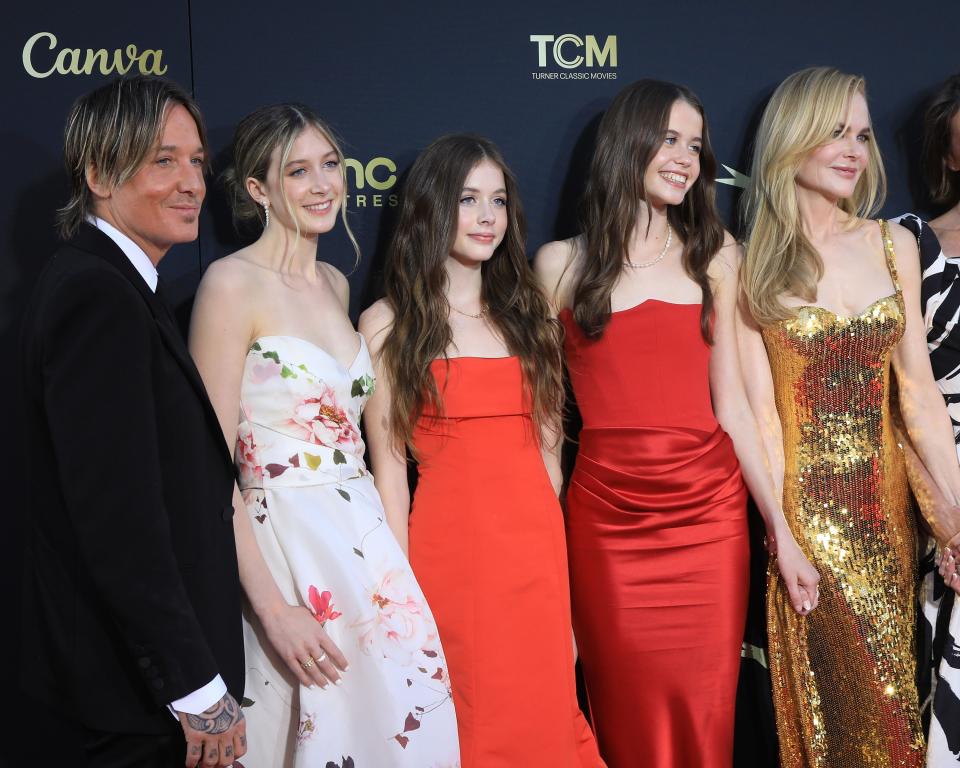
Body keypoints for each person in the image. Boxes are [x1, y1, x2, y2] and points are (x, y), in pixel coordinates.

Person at [534, 78, 816, 768]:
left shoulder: (718, 257)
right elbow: (542, 430)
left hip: (709, 523)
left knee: (706, 717)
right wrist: (542, 555)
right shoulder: (559, 266)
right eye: (668, 139)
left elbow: (737, 411)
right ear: (626, 143)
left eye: (695, 144)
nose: (686, 158)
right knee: (626, 718)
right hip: (606, 527)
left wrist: (780, 532)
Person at [188, 103, 460, 767]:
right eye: (298, 171)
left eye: (331, 165)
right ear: (258, 190)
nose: (323, 185)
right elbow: (205, 464)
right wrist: (273, 608)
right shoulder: (229, 284)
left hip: (363, 546)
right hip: (282, 550)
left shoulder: (336, 284)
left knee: (393, 734)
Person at [19, 75, 246, 767]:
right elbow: (120, 524)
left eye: (197, 161)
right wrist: (196, 688)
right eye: (163, 160)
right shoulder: (98, 298)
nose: (191, 184)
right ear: (98, 174)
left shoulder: (112, 287)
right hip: (132, 700)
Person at [739, 66, 960, 767]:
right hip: (807, 522)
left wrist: (956, 516)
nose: (853, 149)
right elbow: (762, 420)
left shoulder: (893, 245)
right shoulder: (748, 266)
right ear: (792, 139)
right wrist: (785, 538)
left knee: (897, 710)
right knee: (835, 721)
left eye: (862, 135)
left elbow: (920, 399)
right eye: (835, 132)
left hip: (890, 520)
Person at [360, 134, 603, 768]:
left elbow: (551, 461)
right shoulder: (386, 324)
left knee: (544, 716)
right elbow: (388, 469)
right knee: (469, 727)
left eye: (497, 200)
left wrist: (558, 577)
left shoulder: (531, 318)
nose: (488, 216)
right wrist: (400, 595)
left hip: (536, 559)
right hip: (449, 558)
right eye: (468, 200)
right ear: (431, 208)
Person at [896, 72, 960, 764]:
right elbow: (898, 393)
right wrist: (944, 513)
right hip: (943, 485)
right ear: (948, 153)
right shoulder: (909, 245)